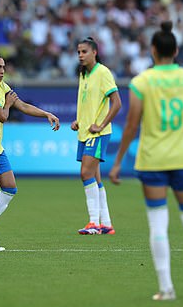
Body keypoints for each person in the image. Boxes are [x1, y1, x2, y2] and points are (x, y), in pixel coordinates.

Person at [109, 22, 183, 301]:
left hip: (153, 160)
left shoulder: (142, 81)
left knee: (158, 224)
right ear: (177, 50)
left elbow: (131, 126)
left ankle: (167, 289)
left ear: (153, 50)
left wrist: (118, 161)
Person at [0, 53, 60, 252]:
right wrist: (7, 103)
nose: (2, 71)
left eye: (3, 67)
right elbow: (2, 116)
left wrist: (46, 114)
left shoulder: (0, 86)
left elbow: (22, 105)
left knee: (10, 188)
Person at [70, 37, 121, 235]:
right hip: (84, 132)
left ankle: (93, 222)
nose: (80, 55)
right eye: (78, 52)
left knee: (85, 174)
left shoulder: (103, 72)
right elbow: (87, 104)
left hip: (98, 133)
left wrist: (101, 125)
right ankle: (106, 224)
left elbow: (117, 103)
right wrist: (78, 121)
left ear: (94, 53)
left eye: (84, 51)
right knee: (96, 178)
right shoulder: (83, 74)